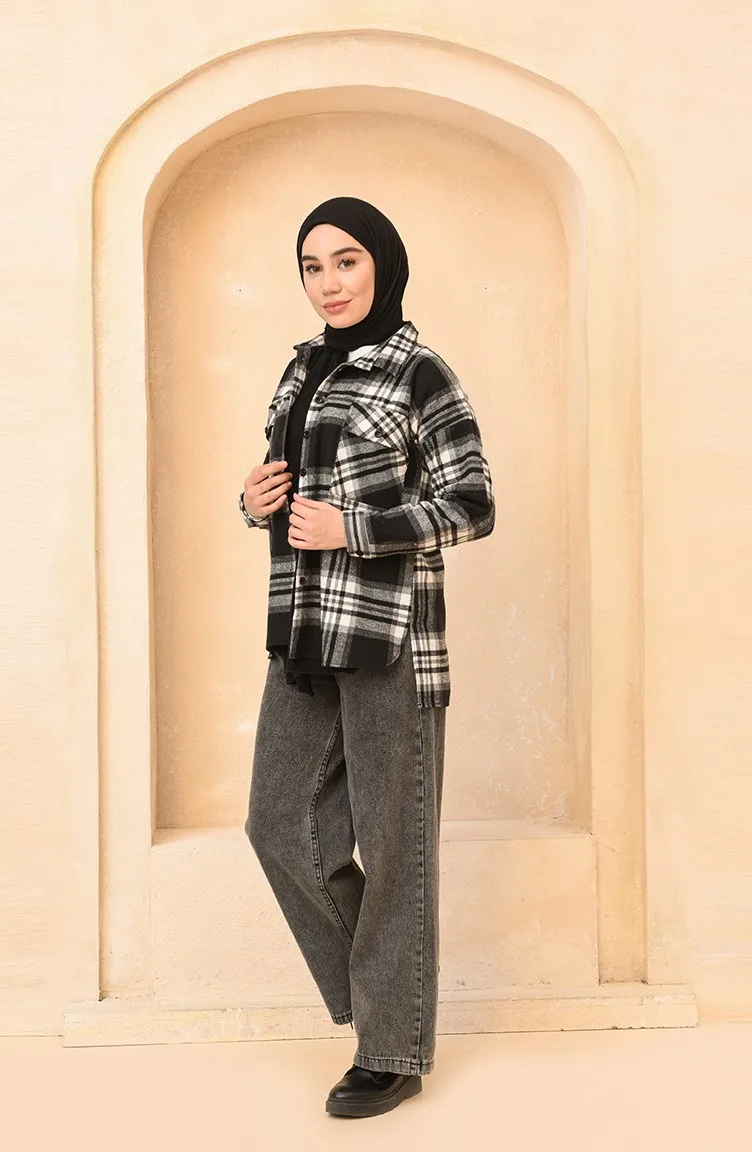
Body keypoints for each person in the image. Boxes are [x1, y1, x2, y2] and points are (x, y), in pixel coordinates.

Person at [239, 196, 495, 1118]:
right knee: (277, 824)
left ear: (382, 263)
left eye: (346, 261)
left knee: (394, 852)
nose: (329, 283)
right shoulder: (301, 367)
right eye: (313, 267)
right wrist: (256, 500)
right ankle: (391, 1000)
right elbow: (291, 493)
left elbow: (474, 504)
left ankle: (391, 1049)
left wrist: (356, 528)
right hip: (305, 631)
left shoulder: (420, 372)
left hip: (391, 640)